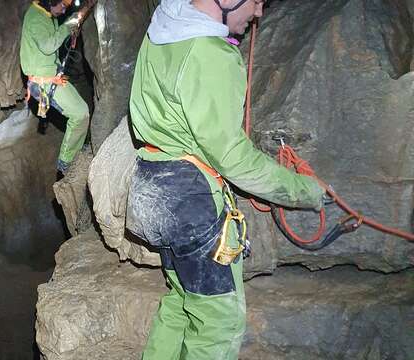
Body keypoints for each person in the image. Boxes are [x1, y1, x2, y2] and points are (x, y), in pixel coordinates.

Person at [125, 0, 326, 359]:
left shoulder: (162, 29)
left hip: (150, 185)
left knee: (182, 301)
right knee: (218, 324)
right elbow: (232, 157)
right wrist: (303, 190)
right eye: (255, 1)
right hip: (190, 200)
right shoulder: (210, 54)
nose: (259, 13)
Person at [19, 0, 90, 174]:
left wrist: (79, 17)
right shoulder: (36, 17)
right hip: (43, 82)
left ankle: (73, 152)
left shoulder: (46, 13)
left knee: (81, 111)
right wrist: (69, 25)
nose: (64, 10)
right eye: (63, 6)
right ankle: (67, 163)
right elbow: (49, 45)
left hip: (51, 77)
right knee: (80, 114)